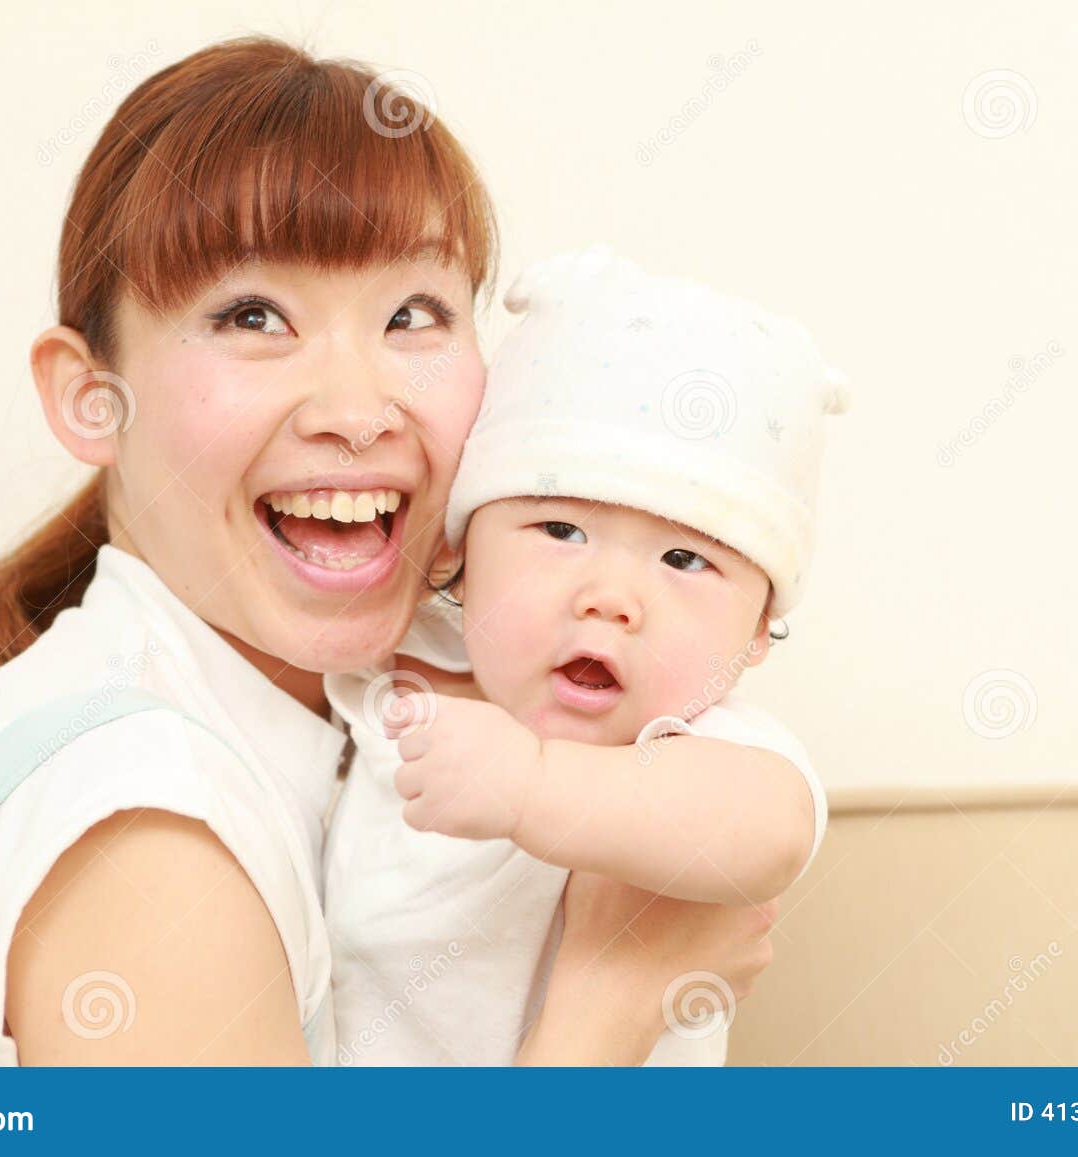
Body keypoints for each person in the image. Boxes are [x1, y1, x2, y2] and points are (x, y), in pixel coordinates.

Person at [0, 37, 776, 1067]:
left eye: (412, 314)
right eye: (253, 316)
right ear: (92, 397)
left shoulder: (409, 703)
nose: (357, 409)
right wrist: (613, 996)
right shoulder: (147, 835)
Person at [324, 246, 850, 1064]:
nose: (610, 597)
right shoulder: (381, 687)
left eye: (684, 559)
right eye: (562, 530)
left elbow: (771, 830)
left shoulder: (696, 746)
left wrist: (530, 785)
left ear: (756, 632)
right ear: (462, 552)